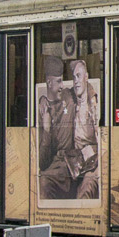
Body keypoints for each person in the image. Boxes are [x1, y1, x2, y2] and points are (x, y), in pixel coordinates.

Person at [38, 55, 79, 199]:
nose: (62, 85)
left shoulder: (68, 96)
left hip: (70, 162)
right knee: (42, 180)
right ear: (49, 82)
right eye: (59, 81)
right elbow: (41, 162)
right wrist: (47, 130)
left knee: (44, 181)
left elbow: (85, 89)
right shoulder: (42, 112)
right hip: (53, 167)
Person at [69, 59, 100, 199]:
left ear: (86, 77)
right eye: (74, 77)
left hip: (93, 160)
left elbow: (102, 139)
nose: (76, 81)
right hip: (73, 160)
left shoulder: (94, 103)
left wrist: (92, 151)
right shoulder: (70, 99)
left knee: (86, 187)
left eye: (79, 76)